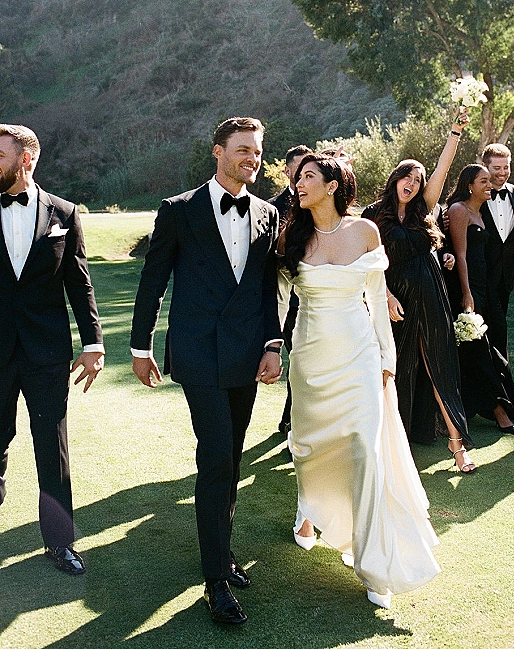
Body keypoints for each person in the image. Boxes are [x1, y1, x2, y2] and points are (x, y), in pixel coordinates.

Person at [130, 117, 283, 627]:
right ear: (217, 152)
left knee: (230, 459)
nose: (252, 159)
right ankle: (215, 579)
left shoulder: (267, 213)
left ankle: (223, 556)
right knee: (217, 455)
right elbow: (153, 281)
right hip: (197, 356)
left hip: (245, 357)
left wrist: (272, 345)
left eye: (257, 152)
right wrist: (140, 344)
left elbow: (264, 288)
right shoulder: (178, 210)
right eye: (243, 150)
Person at [278, 153, 440, 610]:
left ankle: (374, 566)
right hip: (310, 360)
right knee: (309, 448)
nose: (299, 183)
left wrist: (386, 357)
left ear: (332, 185)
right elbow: (277, 299)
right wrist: (273, 347)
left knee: (366, 455)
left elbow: (375, 300)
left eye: (308, 176)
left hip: (361, 358)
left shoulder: (366, 232)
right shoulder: (291, 235)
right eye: (298, 177)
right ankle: (309, 509)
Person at [0, 124, 104, 575]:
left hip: (46, 352)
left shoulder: (64, 212)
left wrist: (94, 342)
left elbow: (79, 283)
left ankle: (59, 542)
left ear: (26, 160)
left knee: (51, 445)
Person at [362, 112, 476, 473]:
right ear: (394, 178)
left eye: (417, 180)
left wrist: (454, 133)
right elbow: (369, 265)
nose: (411, 184)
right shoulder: (372, 214)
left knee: (439, 362)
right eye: (406, 176)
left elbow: (442, 170)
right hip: (394, 299)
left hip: (430, 292)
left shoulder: (422, 210)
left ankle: (458, 446)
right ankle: (393, 444)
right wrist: (384, 297)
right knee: (397, 368)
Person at [447, 165, 514, 435]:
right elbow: (461, 254)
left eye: (490, 181)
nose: (490, 185)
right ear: (470, 185)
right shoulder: (458, 211)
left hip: (486, 288)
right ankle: (498, 411)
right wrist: (467, 293)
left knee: (493, 344)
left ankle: (500, 403)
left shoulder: (481, 211)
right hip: (468, 288)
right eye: (484, 181)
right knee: (478, 350)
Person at [480, 143, 514, 423]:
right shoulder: (474, 192)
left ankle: (497, 401)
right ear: (485, 166)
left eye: (506, 167)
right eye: (496, 168)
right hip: (478, 281)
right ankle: (507, 402)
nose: (502, 173)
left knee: (495, 337)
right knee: (492, 337)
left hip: (503, 281)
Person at [269, 145, 312, 436]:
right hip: (286, 300)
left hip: (315, 297)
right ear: (287, 171)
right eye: (297, 172)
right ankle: (293, 424)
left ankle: (291, 422)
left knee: (308, 365)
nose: (301, 180)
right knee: (296, 363)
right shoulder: (271, 207)